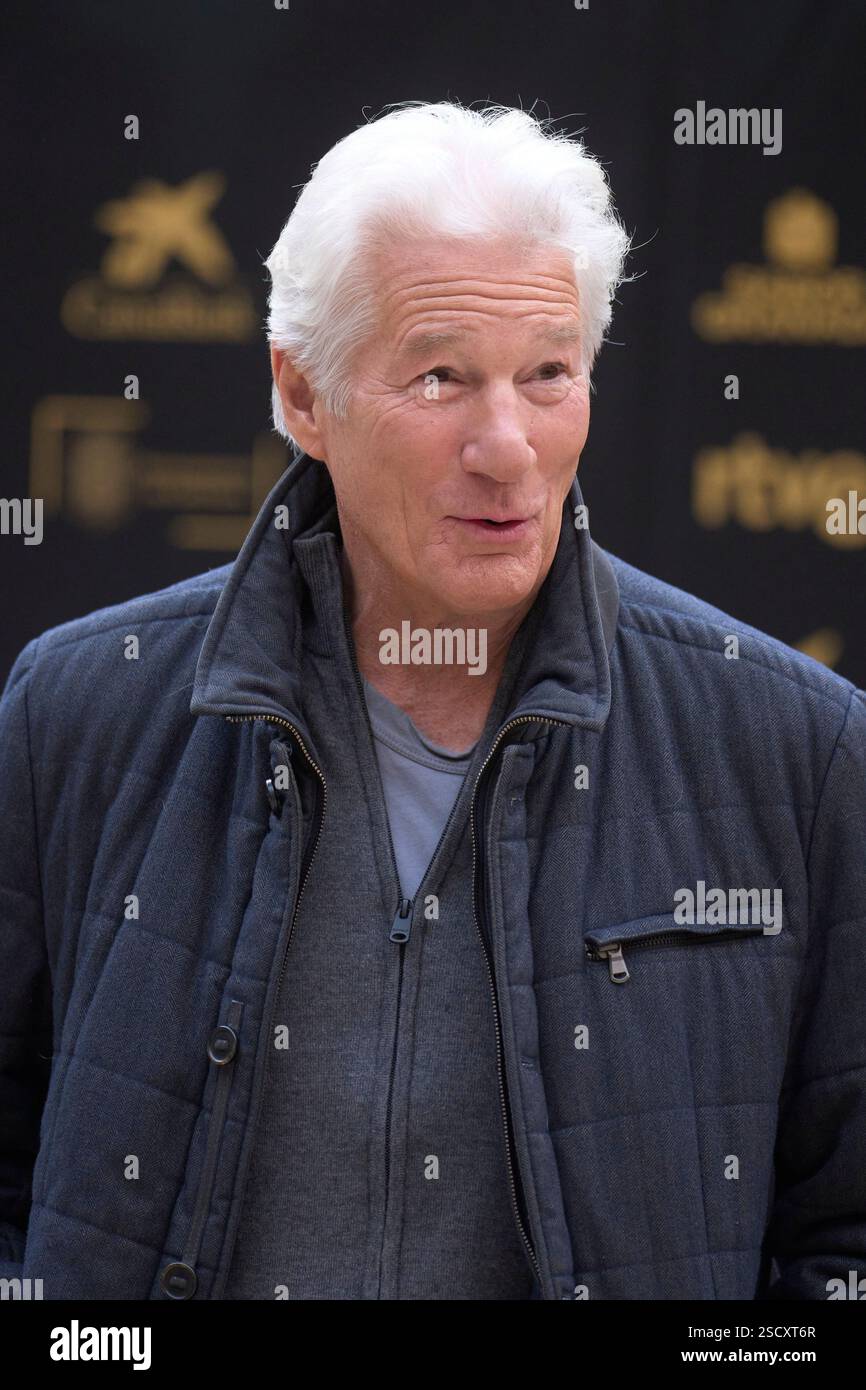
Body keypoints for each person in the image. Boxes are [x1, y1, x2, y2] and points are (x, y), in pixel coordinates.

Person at [1, 101, 864, 1302]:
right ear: (303, 398)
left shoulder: (791, 745)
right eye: (441, 376)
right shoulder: (79, 712)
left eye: (548, 372)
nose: (506, 445)